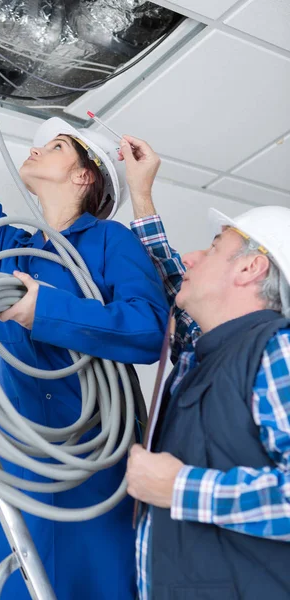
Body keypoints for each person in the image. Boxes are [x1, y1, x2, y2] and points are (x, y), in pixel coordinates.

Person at [0, 33, 169, 600]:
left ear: (85, 174)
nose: (37, 150)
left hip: (95, 468)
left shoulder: (112, 242)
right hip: (19, 468)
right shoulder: (12, 247)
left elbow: (146, 328)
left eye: (57, 146)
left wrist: (45, 308)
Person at [119, 135, 290, 599]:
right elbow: (178, 281)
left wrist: (180, 487)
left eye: (213, 248)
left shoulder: (278, 351)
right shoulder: (205, 356)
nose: (191, 257)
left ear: (250, 269)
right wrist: (141, 194)